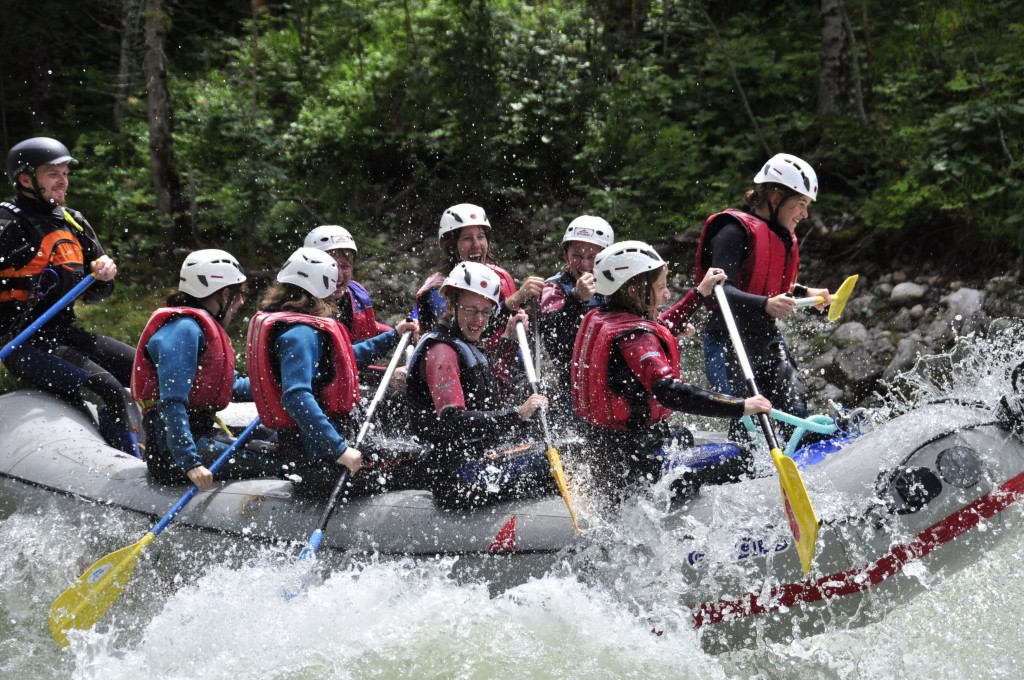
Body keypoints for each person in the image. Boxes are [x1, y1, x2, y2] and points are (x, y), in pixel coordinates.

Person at [571, 241, 771, 500]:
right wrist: (740, 405)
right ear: (633, 290)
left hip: (614, 451)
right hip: (638, 466)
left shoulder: (605, 315)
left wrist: (699, 293)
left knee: (683, 436)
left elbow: (657, 326)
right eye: (661, 287)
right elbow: (670, 391)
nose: (666, 295)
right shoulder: (634, 336)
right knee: (738, 454)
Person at [0, 136, 139, 455]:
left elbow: (97, 296)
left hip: (65, 335)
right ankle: (131, 469)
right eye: (53, 173)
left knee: (147, 368)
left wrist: (104, 276)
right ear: (26, 179)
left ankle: (182, 447)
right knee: (108, 390)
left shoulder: (73, 221)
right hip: (21, 343)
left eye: (65, 172)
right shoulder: (6, 224)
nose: (63, 180)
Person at [246, 247, 418, 499]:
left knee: (407, 452)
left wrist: (392, 336)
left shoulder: (299, 327)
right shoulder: (299, 334)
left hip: (318, 452)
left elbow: (344, 360)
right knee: (420, 463)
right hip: (319, 462)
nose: (337, 295)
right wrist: (340, 450)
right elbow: (296, 398)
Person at [695, 153, 831, 438]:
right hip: (727, 342)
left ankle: (802, 459)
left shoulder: (778, 235)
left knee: (795, 407)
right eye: (801, 203)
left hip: (765, 339)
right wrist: (765, 304)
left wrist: (806, 292)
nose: (805, 214)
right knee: (751, 425)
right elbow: (720, 289)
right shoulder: (732, 231)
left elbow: (765, 284)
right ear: (775, 196)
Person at [406, 261, 556, 510]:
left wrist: (507, 342)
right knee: (551, 460)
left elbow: (492, 396)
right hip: (453, 474)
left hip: (475, 459)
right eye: (471, 310)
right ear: (452, 305)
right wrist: (516, 415)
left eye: (486, 312)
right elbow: (452, 421)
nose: (479, 320)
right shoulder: (441, 350)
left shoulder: (466, 342)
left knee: (567, 447)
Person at [132, 249, 283, 489]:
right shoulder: (184, 330)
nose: (242, 301)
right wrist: (190, 463)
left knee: (277, 439)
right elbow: (171, 403)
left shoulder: (197, 328)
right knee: (283, 464)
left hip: (199, 436)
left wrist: (280, 387)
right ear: (224, 294)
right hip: (173, 455)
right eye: (240, 293)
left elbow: (230, 386)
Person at [414, 203, 543, 345]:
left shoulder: (501, 277)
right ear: (451, 246)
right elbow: (466, 329)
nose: (477, 244)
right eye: (467, 238)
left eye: (481, 237)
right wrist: (515, 300)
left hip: (502, 360)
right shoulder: (439, 289)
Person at [539, 215, 614, 408]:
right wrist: (576, 299)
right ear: (566, 255)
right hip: (572, 382)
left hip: (610, 378)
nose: (585, 265)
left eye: (592, 257)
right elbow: (551, 330)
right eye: (577, 256)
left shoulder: (615, 286)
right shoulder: (554, 287)